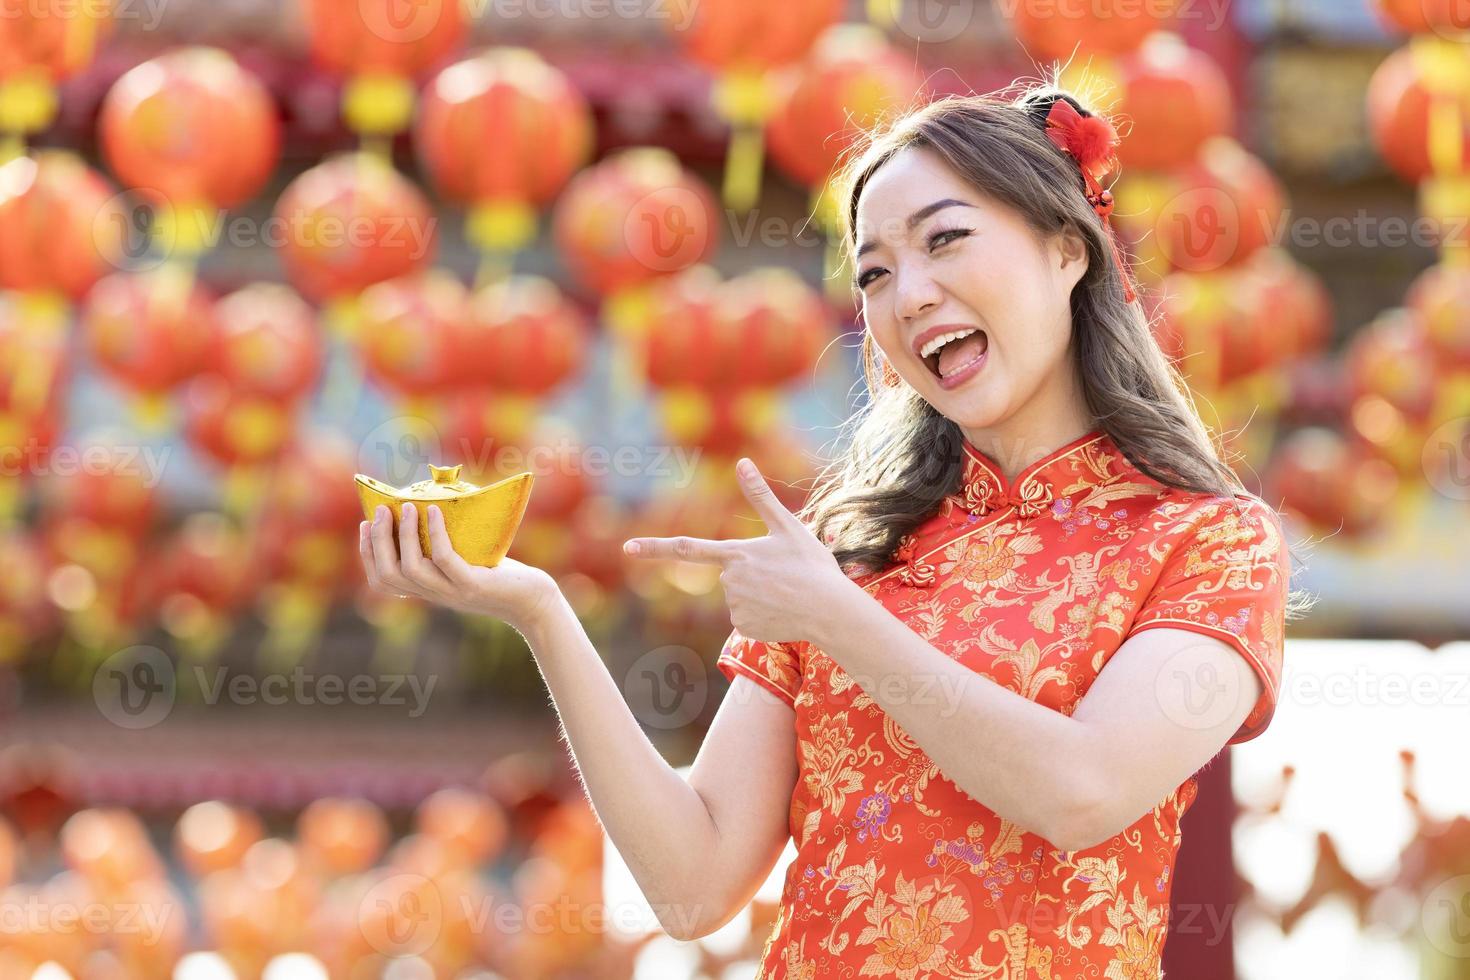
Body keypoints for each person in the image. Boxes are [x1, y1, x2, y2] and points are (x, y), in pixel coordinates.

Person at [358, 84, 1304, 979]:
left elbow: (1082, 791)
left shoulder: (1207, 542)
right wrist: (541, 612)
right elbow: (692, 889)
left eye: (947, 241)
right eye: (877, 273)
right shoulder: (852, 546)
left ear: (1070, 249)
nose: (910, 295)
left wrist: (835, 617)